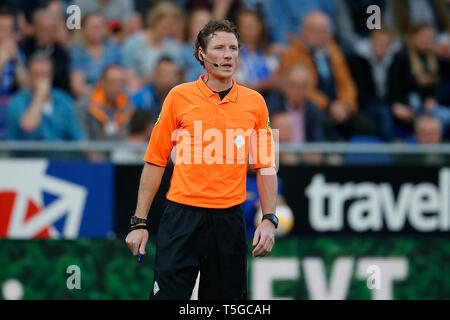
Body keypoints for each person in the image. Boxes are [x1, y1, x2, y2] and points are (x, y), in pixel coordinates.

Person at [125, 19, 278, 300]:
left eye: (233, 48)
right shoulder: (178, 97)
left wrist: (269, 219)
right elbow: (155, 161)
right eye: (219, 48)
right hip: (181, 217)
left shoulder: (255, 103)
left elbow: (266, 165)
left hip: (229, 220)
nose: (228, 54)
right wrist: (139, 223)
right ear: (201, 54)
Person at [277, 11, 377, 141]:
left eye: (323, 31)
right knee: (324, 124)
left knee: (369, 126)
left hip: (340, 108)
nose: (319, 35)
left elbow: (347, 84)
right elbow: (301, 90)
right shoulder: (291, 54)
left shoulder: (334, 52)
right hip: (312, 109)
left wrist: (345, 105)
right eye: (314, 30)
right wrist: (329, 106)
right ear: (303, 31)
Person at [8, 52, 84, 141]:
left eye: (45, 74)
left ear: (51, 76)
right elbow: (28, 127)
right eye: (37, 75)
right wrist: (39, 96)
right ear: (29, 77)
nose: (41, 80)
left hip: (60, 154)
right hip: (29, 154)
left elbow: (78, 137)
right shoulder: (17, 101)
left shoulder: (63, 99)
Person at [69, 12, 124, 98]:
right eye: (92, 27)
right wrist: (99, 97)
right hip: (89, 98)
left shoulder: (114, 48)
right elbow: (78, 86)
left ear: (105, 29)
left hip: (117, 95)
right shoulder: (77, 52)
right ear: (83, 29)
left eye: (99, 27)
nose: (96, 31)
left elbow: (127, 75)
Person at [76, 64, 134, 141]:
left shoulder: (127, 106)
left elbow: (127, 137)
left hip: (120, 150)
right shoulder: (84, 106)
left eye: (120, 83)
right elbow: (81, 139)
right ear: (102, 82)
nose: (116, 87)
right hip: (94, 149)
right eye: (113, 82)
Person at [0, 5, 28, 140]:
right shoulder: (5, 53)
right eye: (2, 29)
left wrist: (17, 61)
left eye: (9, 29)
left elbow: (25, 86)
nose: (5, 34)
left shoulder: (16, 51)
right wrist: (2, 58)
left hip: (10, 109)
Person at [131, 56, 182, 120]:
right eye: (165, 74)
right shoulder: (142, 97)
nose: (169, 79)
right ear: (155, 75)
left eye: (172, 75)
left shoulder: (183, 99)